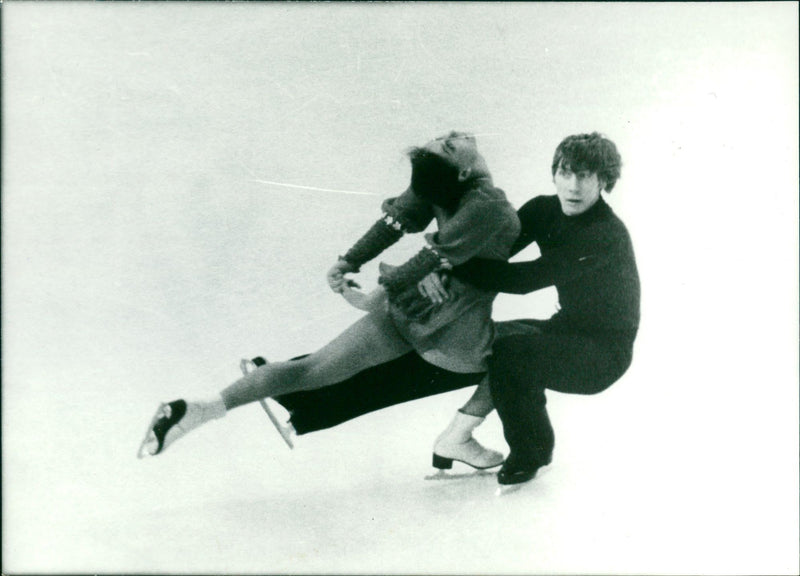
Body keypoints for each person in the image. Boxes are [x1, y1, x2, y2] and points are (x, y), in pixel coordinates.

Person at [265, 132, 640, 486]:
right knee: (441, 353)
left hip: (603, 353)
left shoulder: (605, 234)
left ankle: (528, 454)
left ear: (604, 181)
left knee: (510, 354)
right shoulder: (545, 209)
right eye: (565, 172)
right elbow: (491, 247)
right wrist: (437, 268)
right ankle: (301, 397)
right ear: (555, 173)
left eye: (586, 176)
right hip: (562, 329)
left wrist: (447, 264)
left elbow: (522, 280)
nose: (573, 186)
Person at [137, 131, 521, 465]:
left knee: (312, 369)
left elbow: (402, 230)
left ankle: (201, 409)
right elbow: (422, 247)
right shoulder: (487, 203)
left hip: (405, 312)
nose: (456, 135)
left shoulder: (438, 180)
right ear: (465, 172)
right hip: (456, 334)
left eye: (450, 140)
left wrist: (352, 265)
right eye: (450, 144)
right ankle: (457, 438)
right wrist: (362, 272)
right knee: (521, 358)